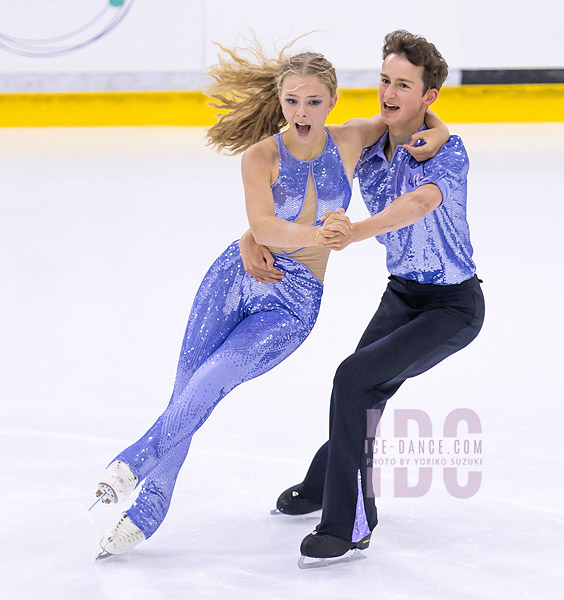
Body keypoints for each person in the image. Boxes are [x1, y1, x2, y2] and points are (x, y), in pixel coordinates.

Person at [90, 38, 449, 560]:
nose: (301, 113)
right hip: (234, 278)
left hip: (293, 301)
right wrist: (308, 237)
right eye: (292, 102)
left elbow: (408, 117)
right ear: (279, 102)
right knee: (188, 390)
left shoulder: (350, 141)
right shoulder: (261, 156)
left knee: (214, 381)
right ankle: (148, 508)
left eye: (313, 102)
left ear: (331, 102)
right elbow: (260, 224)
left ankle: (131, 463)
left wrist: (437, 131)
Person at [242, 30, 485, 568]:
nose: (390, 93)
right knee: (363, 388)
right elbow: (299, 171)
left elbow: (419, 204)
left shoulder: (447, 151)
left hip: (453, 306)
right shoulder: (367, 145)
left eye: (405, 85)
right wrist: (251, 234)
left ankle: (350, 525)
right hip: (403, 294)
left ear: (428, 96)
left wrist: (357, 230)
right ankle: (321, 482)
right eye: (384, 81)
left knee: (354, 379)